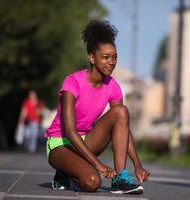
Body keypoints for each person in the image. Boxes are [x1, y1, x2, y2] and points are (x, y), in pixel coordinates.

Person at [44, 20, 149, 194]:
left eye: (114, 57)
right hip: (60, 144)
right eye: (105, 57)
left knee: (121, 112)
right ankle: (65, 170)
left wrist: (137, 165)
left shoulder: (113, 86)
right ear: (92, 58)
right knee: (93, 182)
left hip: (87, 141)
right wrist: (98, 164)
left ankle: (120, 179)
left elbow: (122, 126)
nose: (111, 62)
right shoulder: (72, 82)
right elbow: (70, 131)